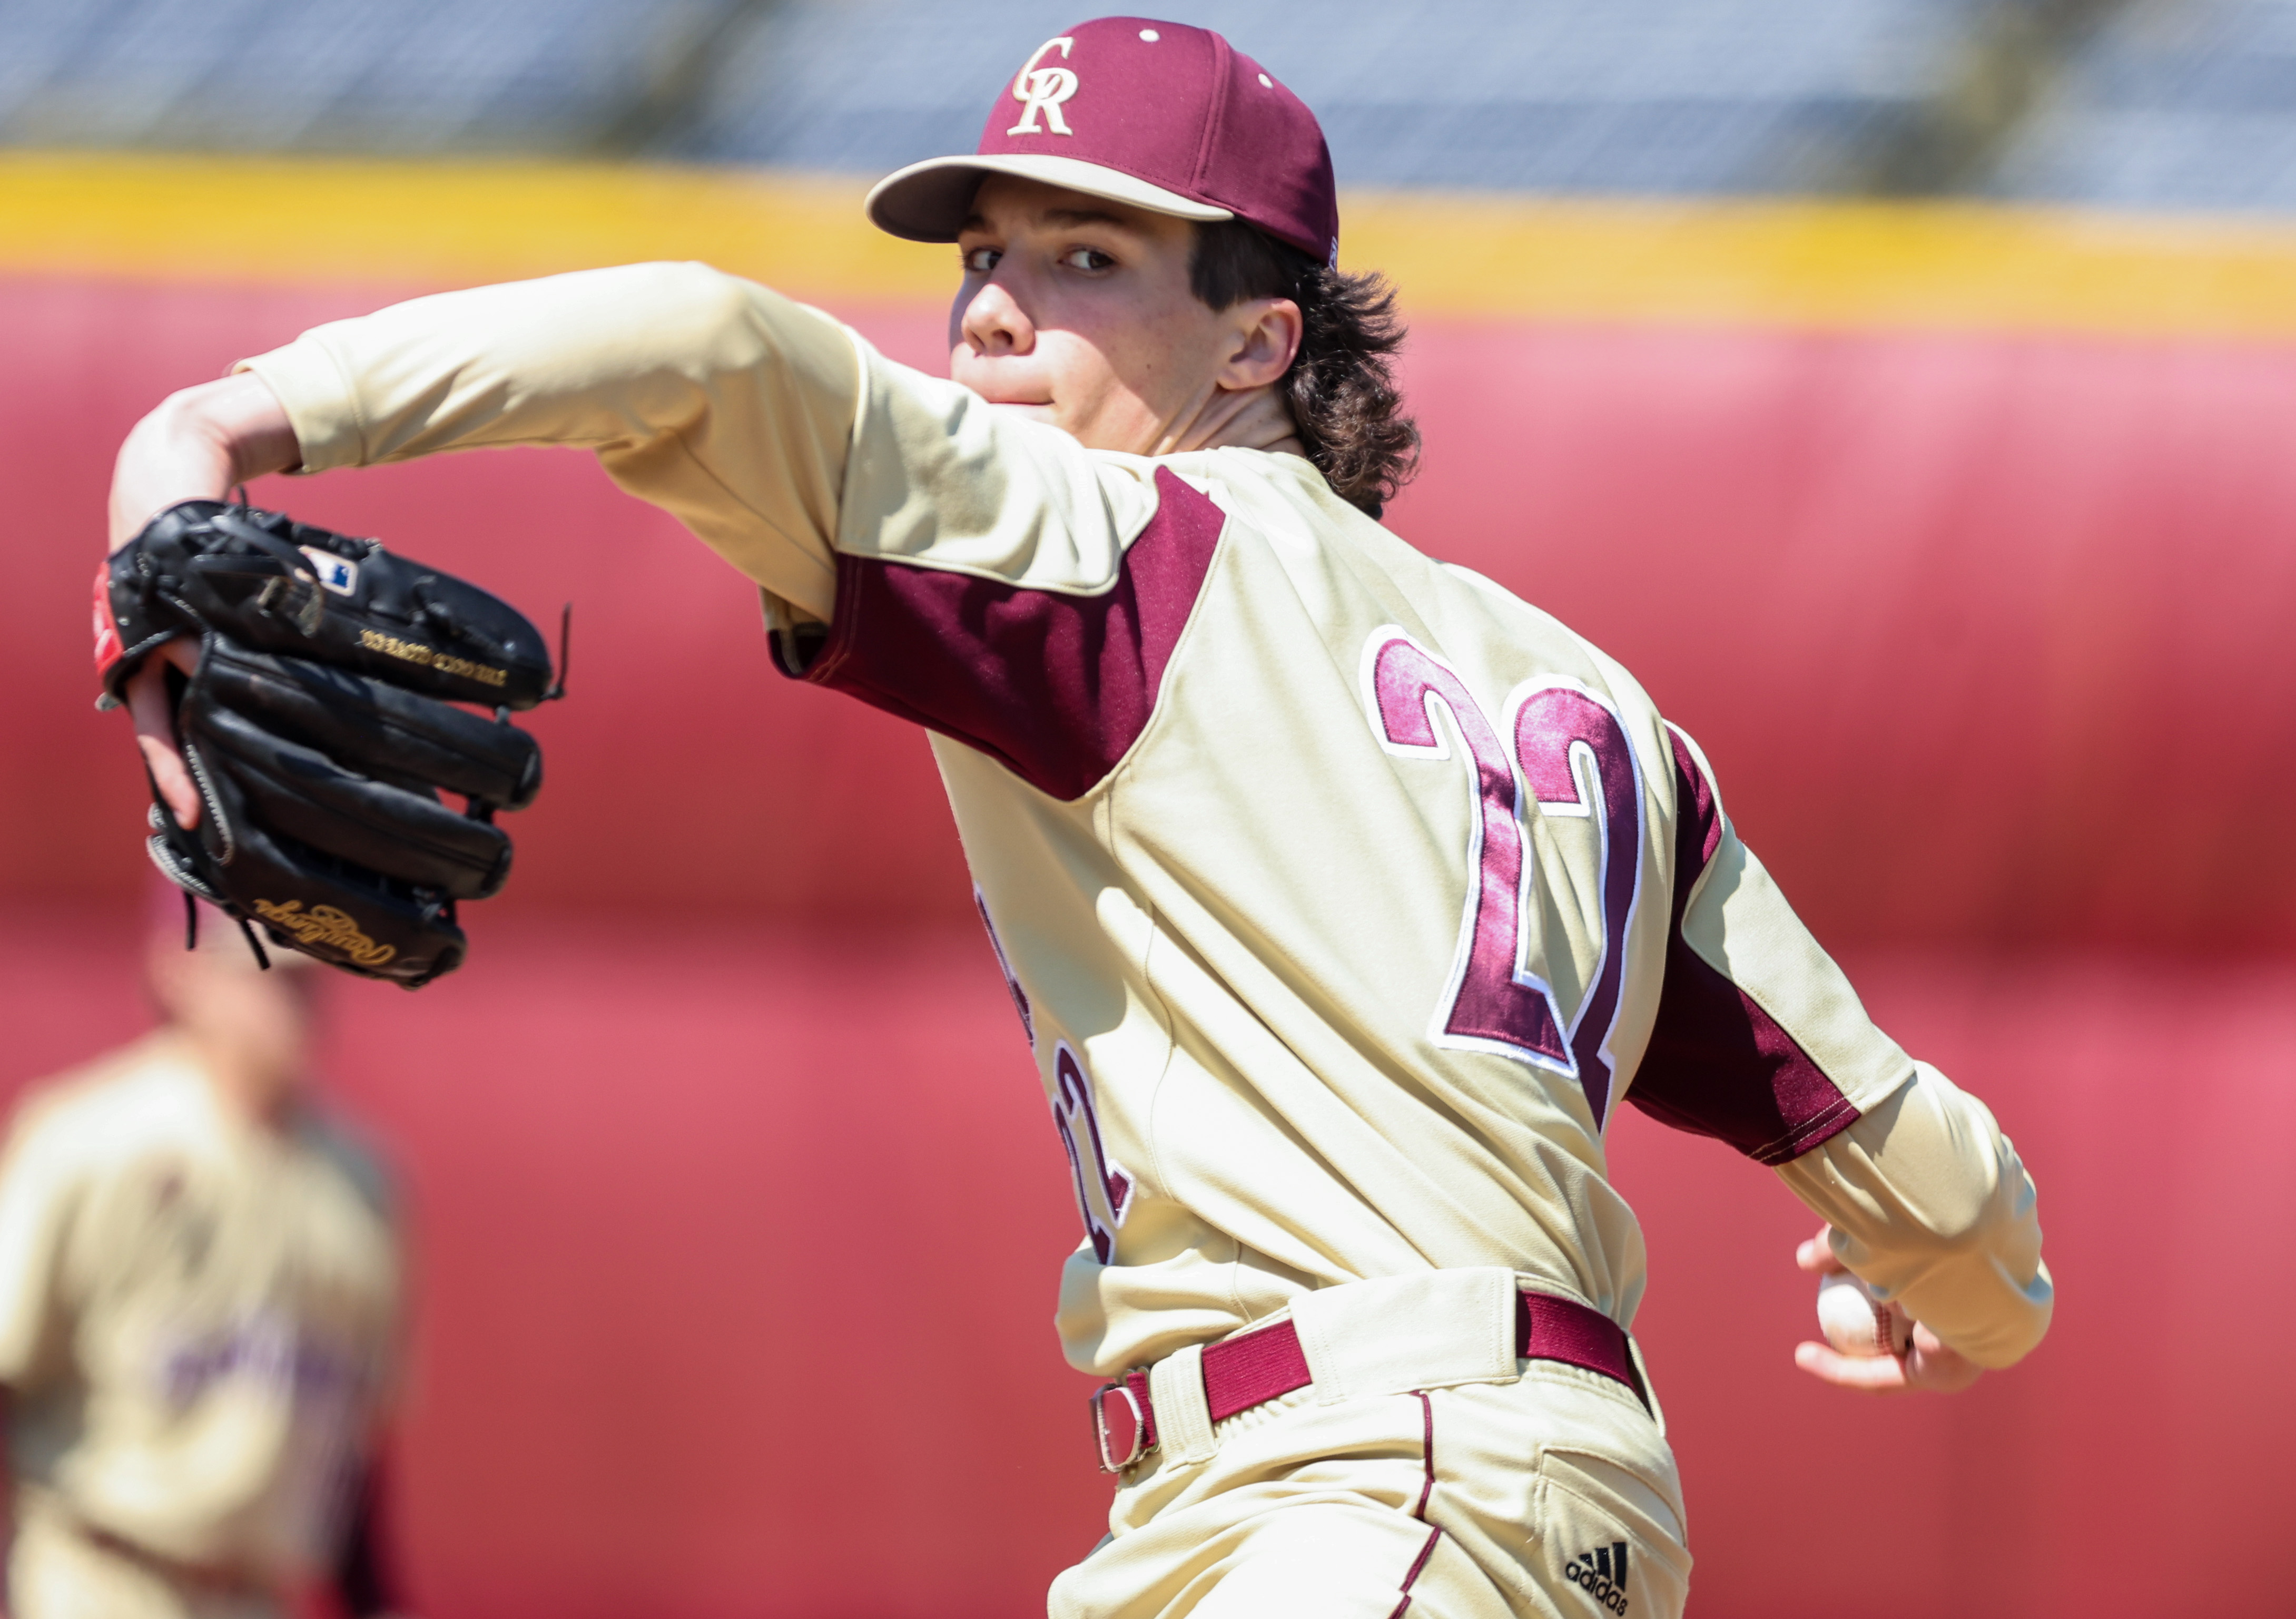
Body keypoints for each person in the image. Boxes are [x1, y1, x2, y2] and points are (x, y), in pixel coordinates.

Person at [101, 17, 2051, 1617]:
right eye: (979, 260)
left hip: (1381, 1491)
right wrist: (1973, 1301)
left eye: (1084, 259)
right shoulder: (1604, 709)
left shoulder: (1127, 550)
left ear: (1259, 338)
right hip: (1353, 1506)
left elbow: (708, 347)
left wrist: (227, 425)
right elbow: (1895, 1139)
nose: (993, 316)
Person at [0, 902, 407, 1619]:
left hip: (256, 1594)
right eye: (268, 970)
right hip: (98, 1576)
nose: (295, 995)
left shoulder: (360, 1182)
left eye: (309, 975)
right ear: (180, 970)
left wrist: (376, 1604)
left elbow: (352, 1447)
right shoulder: (85, 1143)